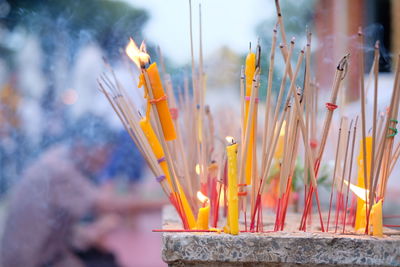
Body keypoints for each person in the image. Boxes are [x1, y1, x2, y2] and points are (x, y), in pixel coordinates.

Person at [0, 114, 144, 267]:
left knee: (107, 258)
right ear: (82, 146)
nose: (107, 160)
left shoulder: (63, 154)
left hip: (51, 252)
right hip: (33, 261)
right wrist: (166, 200)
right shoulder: (58, 169)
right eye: (105, 152)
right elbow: (106, 204)